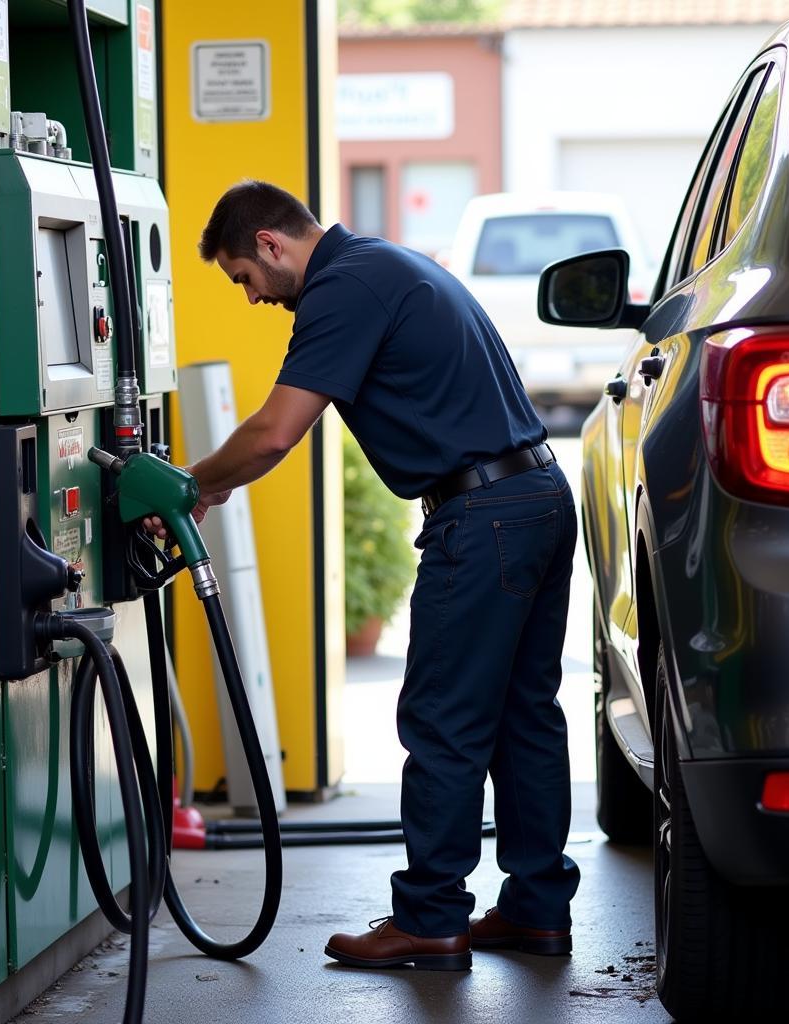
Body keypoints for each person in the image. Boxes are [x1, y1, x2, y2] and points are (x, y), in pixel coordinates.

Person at [147, 180, 579, 971]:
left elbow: (276, 431)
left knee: (444, 721)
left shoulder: (341, 288)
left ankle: (429, 920)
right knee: (524, 717)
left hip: (483, 516)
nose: (250, 298)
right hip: (538, 495)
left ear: (272, 246)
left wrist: (193, 482)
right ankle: (537, 908)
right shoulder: (386, 263)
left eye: (244, 277)